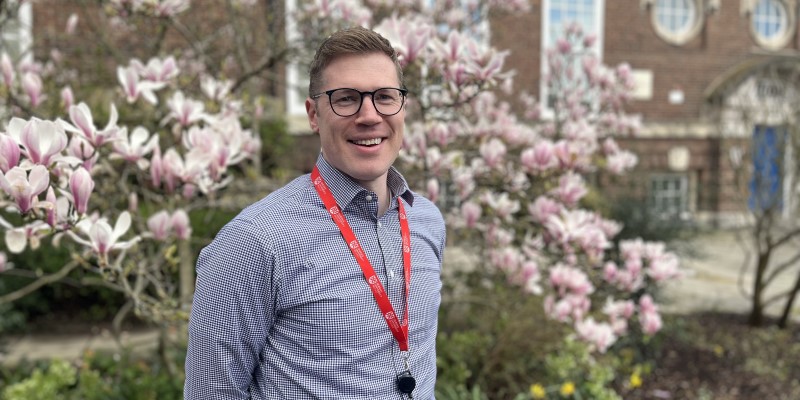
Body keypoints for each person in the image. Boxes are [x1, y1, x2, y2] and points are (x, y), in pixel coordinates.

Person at [184, 26, 446, 399]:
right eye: (346, 99)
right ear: (313, 114)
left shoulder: (427, 222)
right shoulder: (253, 242)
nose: (369, 115)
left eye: (385, 97)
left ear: (402, 108)